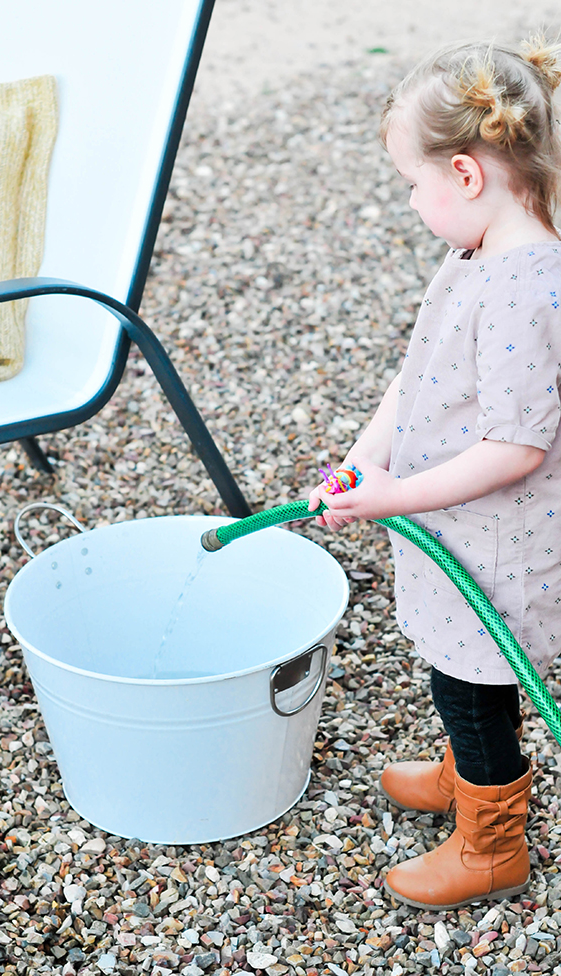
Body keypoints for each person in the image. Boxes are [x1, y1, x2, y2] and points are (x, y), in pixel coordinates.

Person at [308, 35, 561, 910]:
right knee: (458, 672)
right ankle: (463, 777)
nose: (413, 205)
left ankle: (492, 844)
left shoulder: (526, 285)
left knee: (473, 682)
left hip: (493, 545)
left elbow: (516, 448)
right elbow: (417, 374)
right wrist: (363, 458)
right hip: (451, 525)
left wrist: (392, 499)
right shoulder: (481, 249)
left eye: (412, 186)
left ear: (464, 172)